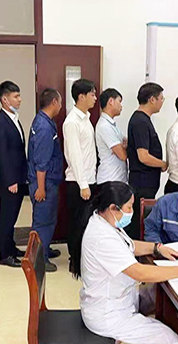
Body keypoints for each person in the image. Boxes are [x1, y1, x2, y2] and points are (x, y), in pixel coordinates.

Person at [75, 181, 178, 344]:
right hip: (107, 314)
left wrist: (157, 248)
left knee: (153, 296)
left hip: (111, 300)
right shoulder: (102, 238)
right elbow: (139, 273)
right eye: (129, 207)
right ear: (113, 208)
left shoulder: (103, 221)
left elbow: (129, 246)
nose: (131, 212)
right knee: (167, 339)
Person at [0, 81, 28, 267]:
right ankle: (4, 254)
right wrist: (10, 180)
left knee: (12, 215)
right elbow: (1, 154)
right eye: (15, 96)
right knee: (6, 216)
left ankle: (11, 247)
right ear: (5, 99)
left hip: (18, 177)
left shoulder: (13, 118)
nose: (19, 99)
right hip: (10, 180)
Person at [63, 78, 98, 272]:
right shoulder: (72, 122)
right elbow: (75, 156)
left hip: (89, 180)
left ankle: (84, 259)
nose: (95, 98)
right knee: (77, 223)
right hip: (77, 182)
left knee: (86, 223)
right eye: (92, 94)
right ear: (81, 96)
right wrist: (83, 184)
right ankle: (74, 261)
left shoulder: (86, 118)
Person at [27, 88, 64, 273]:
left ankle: (45, 249)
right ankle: (39, 260)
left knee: (48, 220)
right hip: (44, 183)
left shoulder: (45, 121)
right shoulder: (43, 127)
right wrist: (41, 188)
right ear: (54, 102)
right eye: (60, 102)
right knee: (43, 222)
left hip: (48, 181)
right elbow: (41, 162)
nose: (61, 106)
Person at [127, 82, 167, 239]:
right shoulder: (140, 122)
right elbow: (143, 156)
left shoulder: (143, 120)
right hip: (142, 182)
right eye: (161, 98)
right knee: (138, 223)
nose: (162, 102)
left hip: (146, 181)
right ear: (152, 99)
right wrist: (163, 164)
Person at [96, 88, 127, 184]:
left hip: (117, 179)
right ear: (111, 101)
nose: (121, 106)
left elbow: (126, 142)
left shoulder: (112, 125)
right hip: (110, 180)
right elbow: (122, 155)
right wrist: (121, 147)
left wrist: (122, 146)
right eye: (119, 101)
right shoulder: (105, 126)